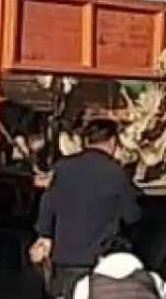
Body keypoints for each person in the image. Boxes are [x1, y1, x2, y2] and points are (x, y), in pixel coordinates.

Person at [30, 114, 143, 299]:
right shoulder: (116, 173)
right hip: (98, 266)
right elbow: (132, 216)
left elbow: (47, 206)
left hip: (64, 262)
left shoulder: (63, 167)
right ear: (113, 141)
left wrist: (45, 235)